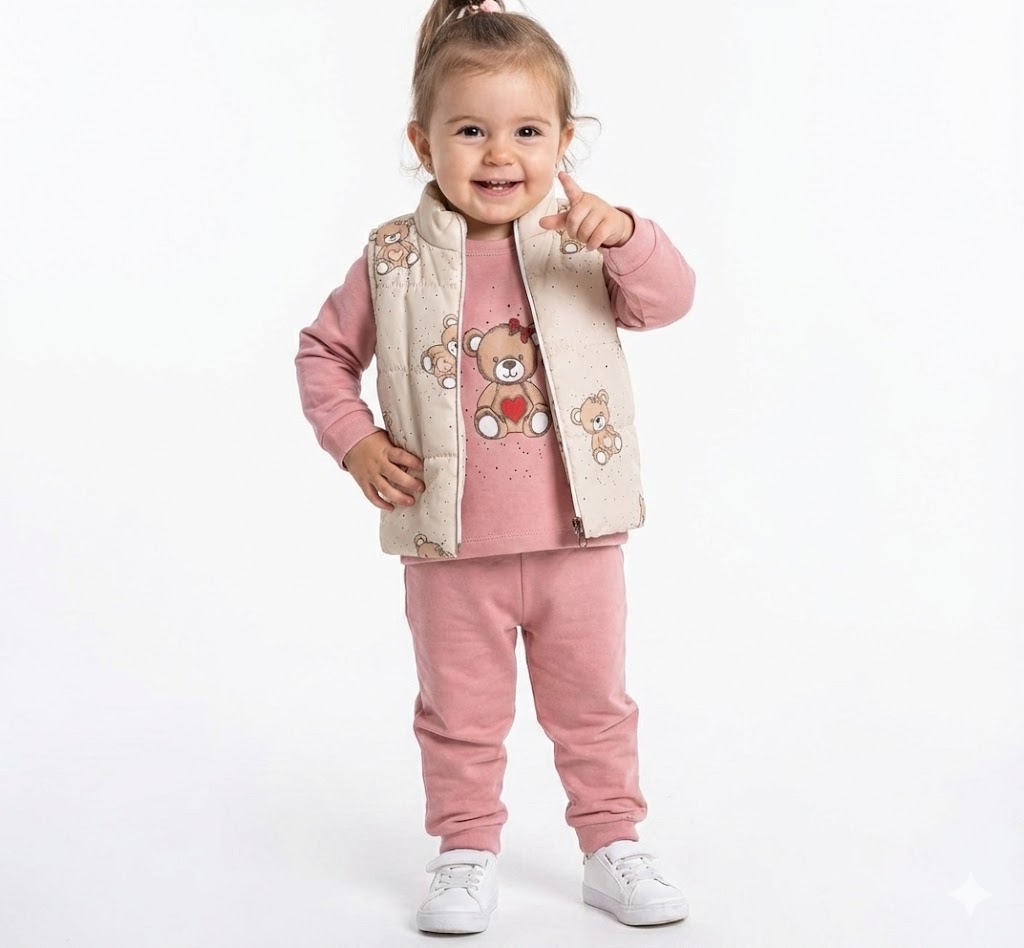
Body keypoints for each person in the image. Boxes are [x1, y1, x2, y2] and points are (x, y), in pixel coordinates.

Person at [295, 0, 697, 934]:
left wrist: (627, 233)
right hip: (450, 547)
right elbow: (322, 353)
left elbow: (669, 301)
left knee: (594, 707)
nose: (498, 154)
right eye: (470, 131)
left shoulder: (582, 240)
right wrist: (356, 441)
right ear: (423, 141)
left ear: (564, 140)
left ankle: (612, 845)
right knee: (459, 715)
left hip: (578, 539)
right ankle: (465, 851)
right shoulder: (393, 259)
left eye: (526, 131)